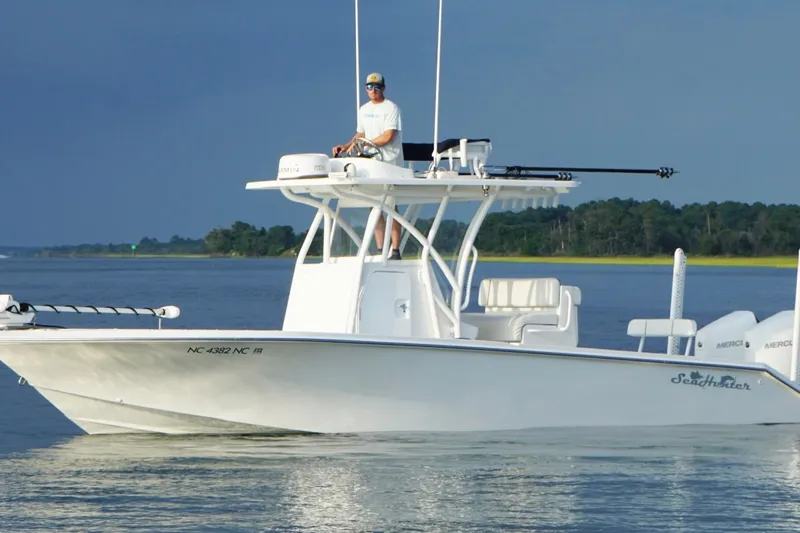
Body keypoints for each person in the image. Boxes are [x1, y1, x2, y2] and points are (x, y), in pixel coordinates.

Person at [332, 72, 404, 259]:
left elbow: (389, 136)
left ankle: (395, 249)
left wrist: (366, 143)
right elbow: (360, 134)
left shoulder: (391, 108)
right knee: (373, 206)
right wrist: (346, 146)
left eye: (377, 87)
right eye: (369, 87)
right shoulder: (363, 109)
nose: (373, 90)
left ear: (383, 88)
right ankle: (381, 249)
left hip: (389, 163)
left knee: (391, 206)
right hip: (370, 162)